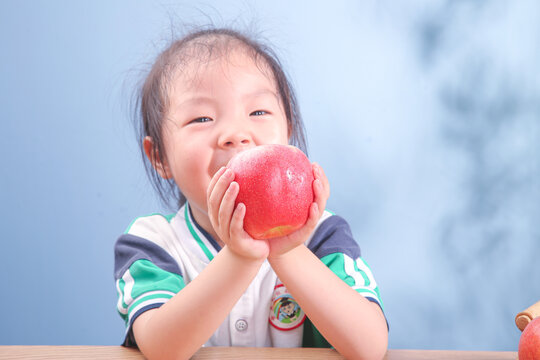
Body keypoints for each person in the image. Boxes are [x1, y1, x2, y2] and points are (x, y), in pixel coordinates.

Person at [114, 27, 388, 360]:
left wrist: (285, 251)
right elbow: (160, 348)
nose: (235, 134)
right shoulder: (153, 240)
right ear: (159, 157)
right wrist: (240, 258)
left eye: (258, 112)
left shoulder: (321, 235)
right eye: (202, 118)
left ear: (288, 131)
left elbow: (370, 346)